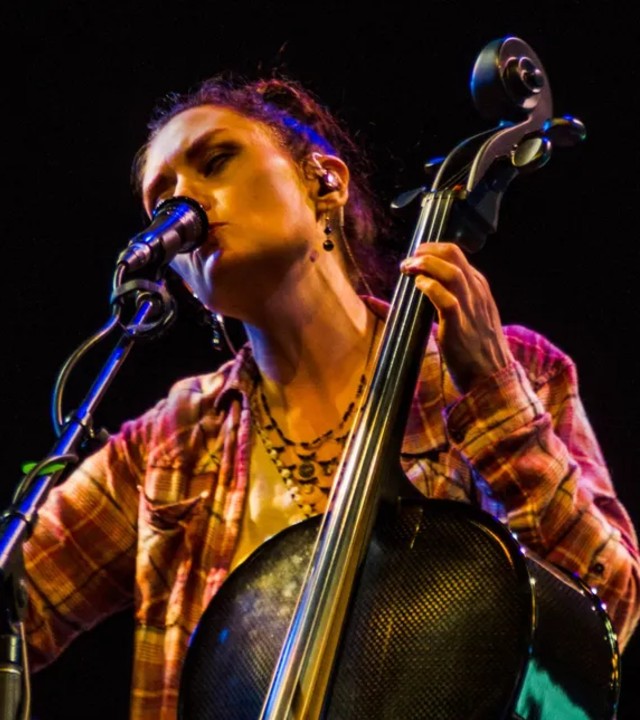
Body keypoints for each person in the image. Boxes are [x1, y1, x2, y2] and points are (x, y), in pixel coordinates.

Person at [22, 72, 640, 720]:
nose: (185, 207)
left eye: (216, 160)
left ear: (325, 182)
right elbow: (17, 605)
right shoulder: (167, 443)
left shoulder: (505, 369)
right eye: (161, 200)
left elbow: (608, 614)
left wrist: (495, 399)